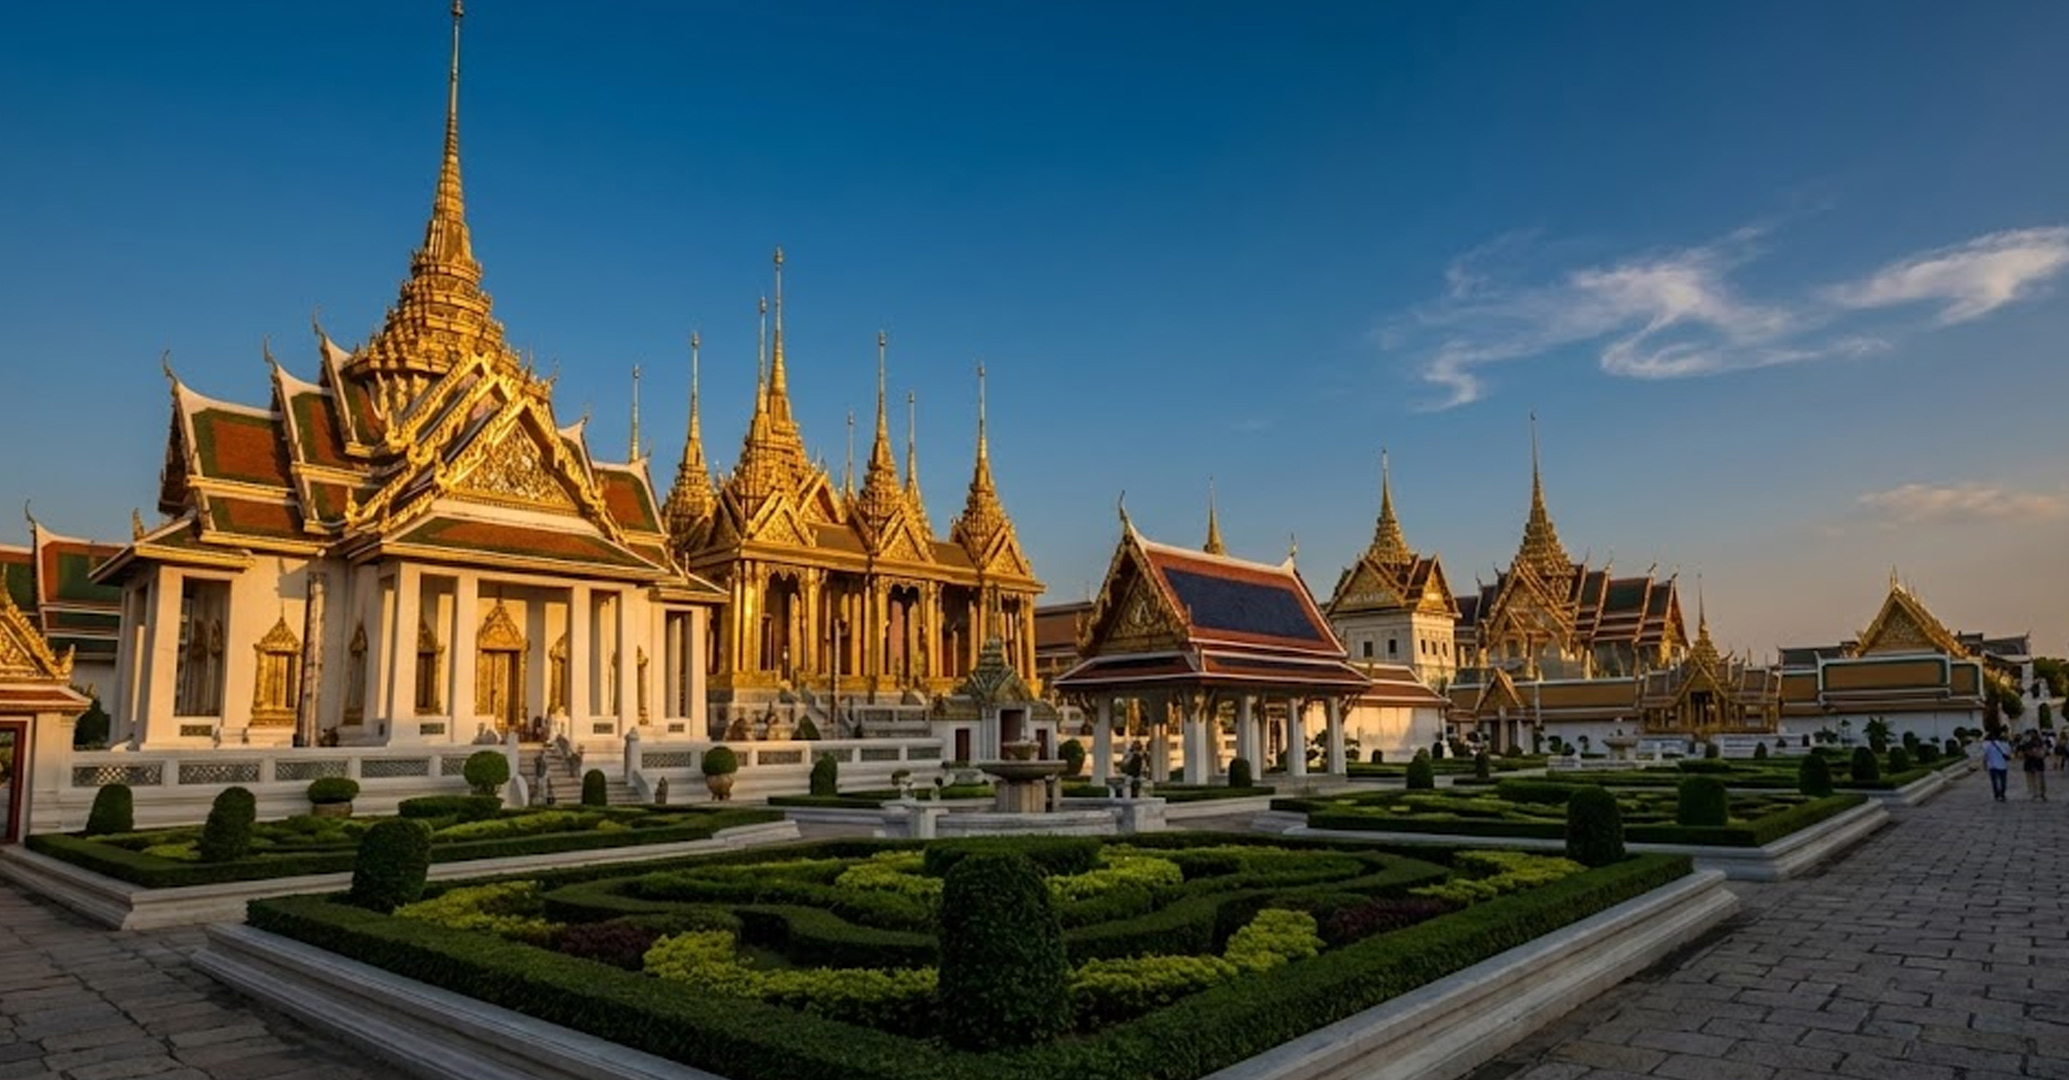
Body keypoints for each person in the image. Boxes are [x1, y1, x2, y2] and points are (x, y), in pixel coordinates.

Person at [1981, 730, 2013, 802]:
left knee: (1995, 781)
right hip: (2003, 765)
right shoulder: (2005, 744)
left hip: (1992, 766)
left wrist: (1985, 764)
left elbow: (1985, 755)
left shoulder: (1987, 745)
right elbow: (2008, 754)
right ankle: (2002, 794)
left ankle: (1997, 794)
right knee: (2003, 781)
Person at [2021, 731, 2048, 801]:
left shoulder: (2029, 743)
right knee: (2039, 778)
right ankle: (2040, 793)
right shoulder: (2041, 742)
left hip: (2032, 763)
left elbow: (2025, 753)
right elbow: (2045, 752)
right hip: (2037, 763)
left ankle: (2036, 793)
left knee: (2034, 779)